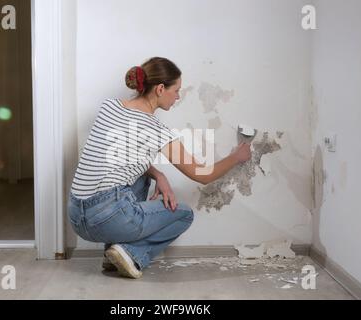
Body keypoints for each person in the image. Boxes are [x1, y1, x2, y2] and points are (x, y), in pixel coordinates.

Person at [68, 57, 252, 279]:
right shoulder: (156, 130)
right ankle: (129, 253)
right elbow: (203, 174)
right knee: (184, 215)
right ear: (160, 88)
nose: (178, 97)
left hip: (76, 217)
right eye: (176, 91)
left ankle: (112, 257)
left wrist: (158, 173)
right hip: (107, 218)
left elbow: (118, 156)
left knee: (141, 178)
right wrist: (236, 156)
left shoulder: (109, 107)